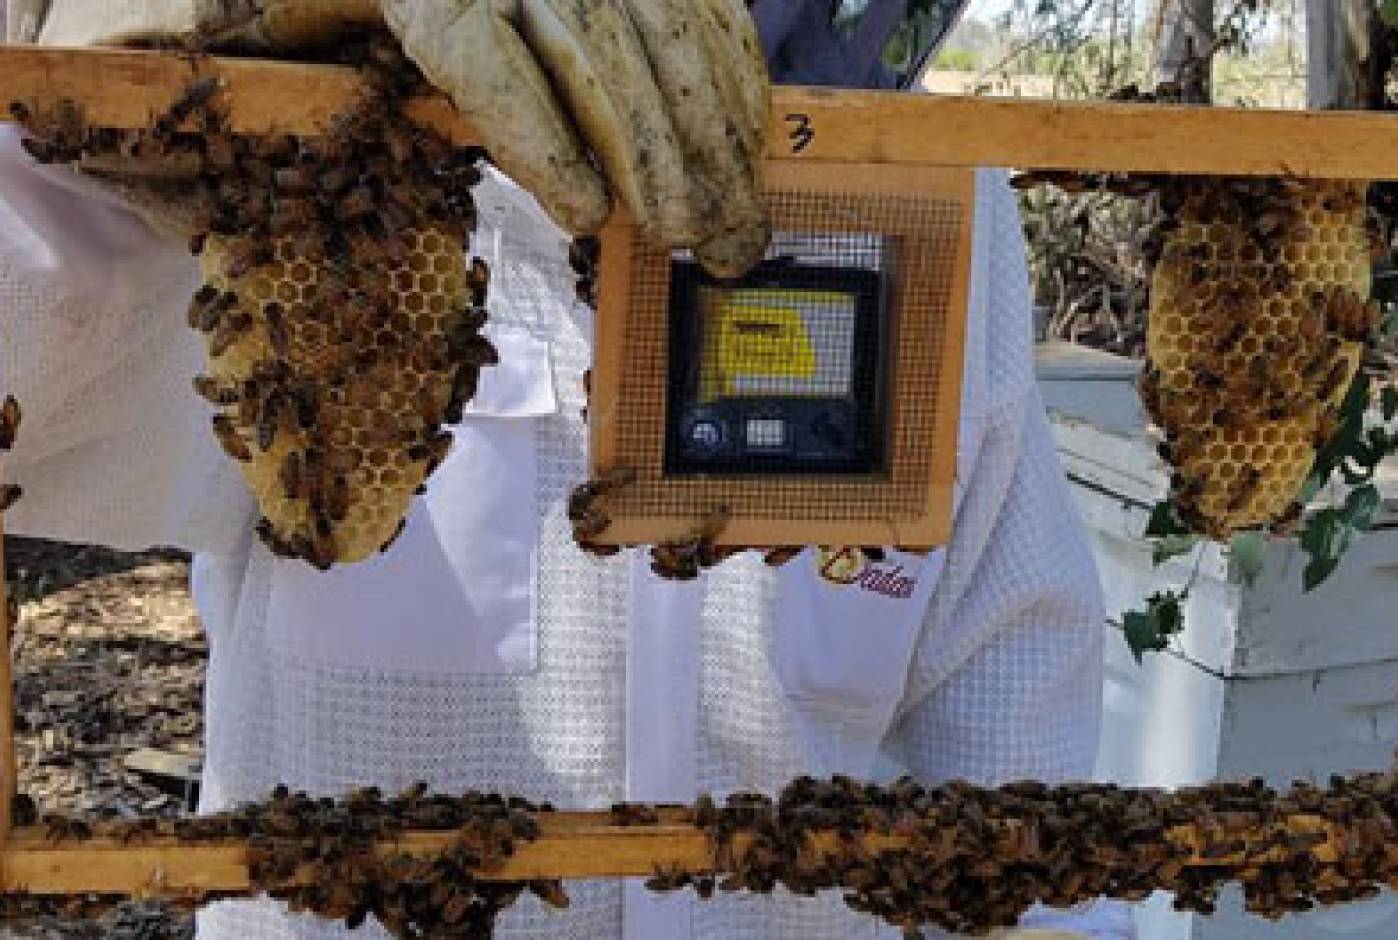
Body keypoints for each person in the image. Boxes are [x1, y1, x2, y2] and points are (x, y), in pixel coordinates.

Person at [0, 1, 1133, 937]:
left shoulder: (944, 207)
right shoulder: (308, 159)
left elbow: (1015, 782)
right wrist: (101, 82)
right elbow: (32, 372)